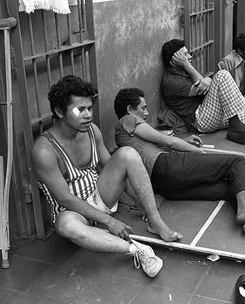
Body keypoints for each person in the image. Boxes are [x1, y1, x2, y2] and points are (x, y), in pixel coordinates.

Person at [32, 75, 182, 277]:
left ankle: (156, 222)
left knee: (127, 153)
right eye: (80, 110)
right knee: (65, 225)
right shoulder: (44, 150)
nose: (87, 115)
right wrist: (109, 221)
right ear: (59, 112)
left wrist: (141, 203)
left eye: (89, 108)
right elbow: (65, 199)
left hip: (99, 197)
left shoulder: (92, 131)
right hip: (72, 211)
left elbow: (114, 166)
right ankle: (136, 250)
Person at [113, 88, 245, 243]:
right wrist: (197, 152)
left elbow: (152, 148)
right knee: (236, 162)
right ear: (129, 109)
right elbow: (169, 142)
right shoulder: (127, 120)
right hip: (167, 165)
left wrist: (144, 203)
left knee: (229, 187)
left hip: (164, 187)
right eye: (143, 108)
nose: (147, 112)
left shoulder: (123, 139)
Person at [160, 39, 245, 145]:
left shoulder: (183, 70)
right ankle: (235, 124)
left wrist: (207, 80)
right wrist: (190, 68)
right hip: (202, 119)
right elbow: (203, 88)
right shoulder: (171, 82)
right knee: (222, 75)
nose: (189, 57)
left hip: (215, 113)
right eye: (184, 55)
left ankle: (236, 132)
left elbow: (204, 83)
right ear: (173, 61)